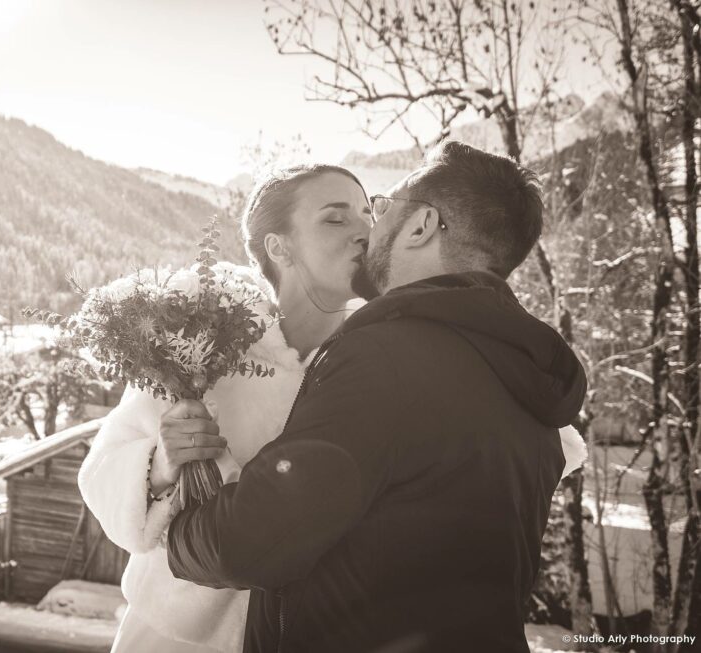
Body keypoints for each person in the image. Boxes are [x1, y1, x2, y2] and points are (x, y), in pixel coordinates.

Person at [166, 141, 589, 653]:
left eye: (382, 205)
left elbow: (252, 542)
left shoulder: (389, 357)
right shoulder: (528, 381)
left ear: (422, 226)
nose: (371, 226)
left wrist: (180, 532)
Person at [77, 164, 374, 653]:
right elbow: (100, 473)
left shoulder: (376, 359)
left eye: (368, 215)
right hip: (174, 640)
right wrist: (160, 463)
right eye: (336, 219)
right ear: (280, 247)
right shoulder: (197, 337)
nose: (365, 233)